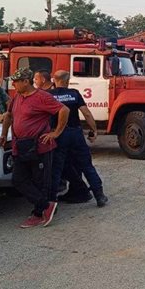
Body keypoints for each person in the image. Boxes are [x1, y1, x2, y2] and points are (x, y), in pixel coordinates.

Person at [0, 68, 69, 229]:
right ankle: (46, 205)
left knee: (41, 181)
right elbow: (9, 116)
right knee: (18, 180)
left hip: (39, 147)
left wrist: (56, 133)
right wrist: (3, 135)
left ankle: (38, 212)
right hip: (20, 146)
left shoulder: (42, 97)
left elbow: (64, 110)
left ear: (26, 82)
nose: (13, 84)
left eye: (16, 81)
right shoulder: (17, 97)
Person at [49, 71, 108, 207]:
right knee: (87, 165)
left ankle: (52, 200)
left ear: (54, 80)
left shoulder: (49, 95)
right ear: (67, 81)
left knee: (56, 167)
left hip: (58, 134)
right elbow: (86, 113)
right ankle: (99, 196)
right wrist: (94, 129)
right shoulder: (74, 93)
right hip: (75, 133)